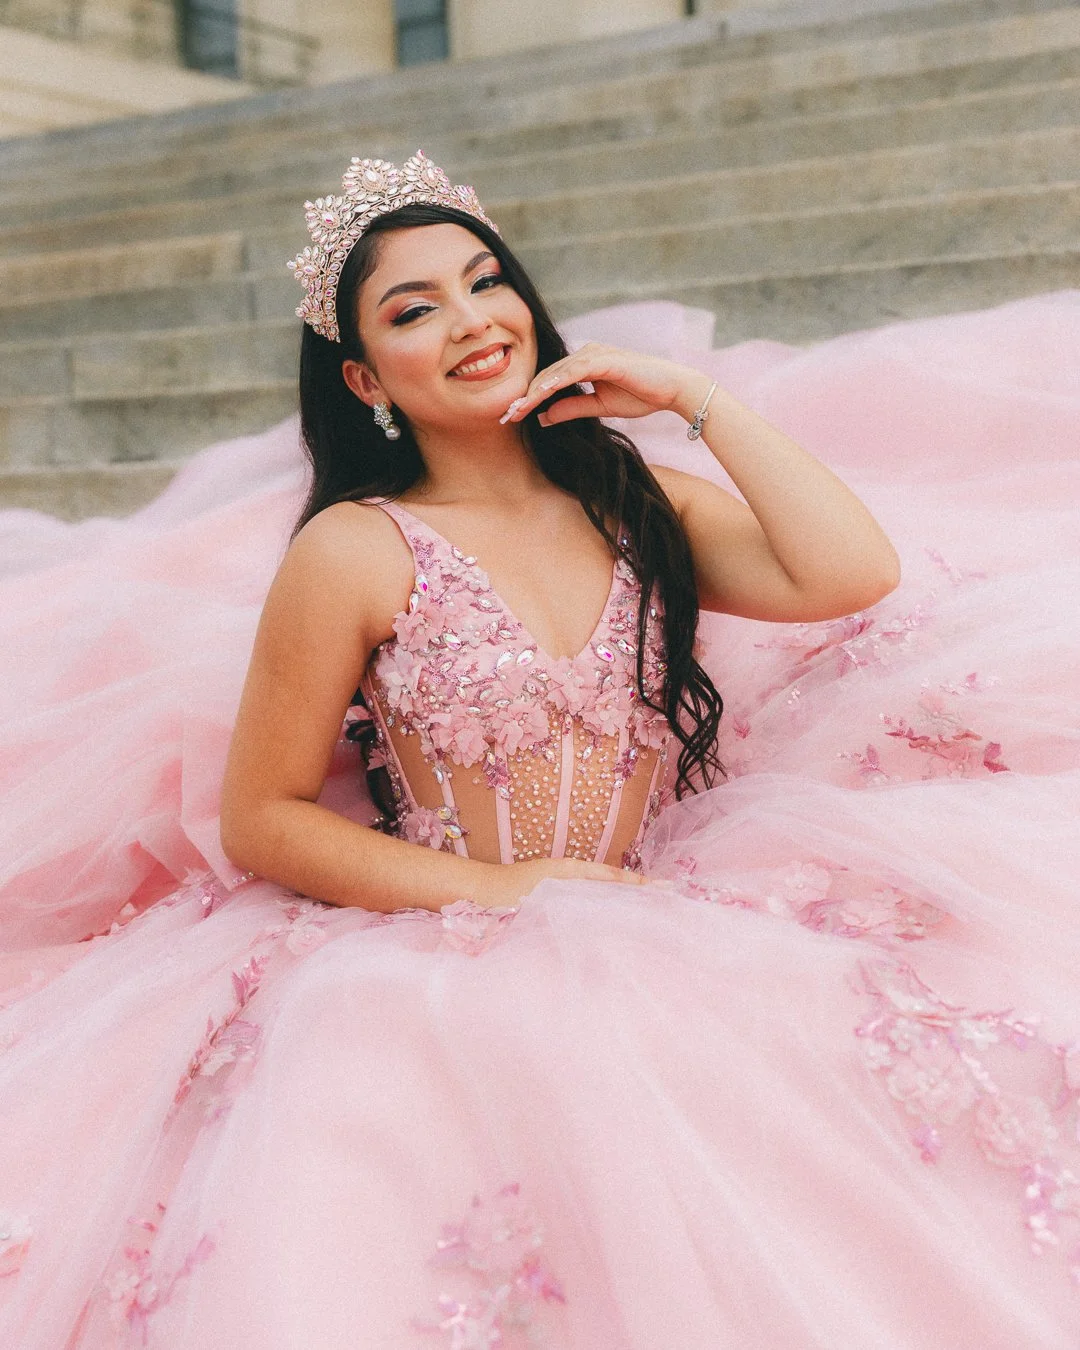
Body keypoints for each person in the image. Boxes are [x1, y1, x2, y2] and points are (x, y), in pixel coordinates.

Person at [0, 150, 1078, 1349]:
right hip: (441, 939)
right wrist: (507, 891)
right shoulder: (358, 548)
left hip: (655, 903)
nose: (471, 320)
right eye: (416, 310)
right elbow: (265, 816)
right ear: (366, 377)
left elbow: (847, 570)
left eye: (485, 281)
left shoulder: (630, 499)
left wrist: (688, 400)